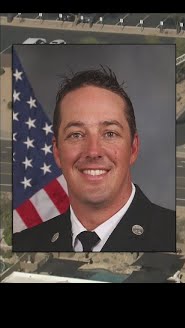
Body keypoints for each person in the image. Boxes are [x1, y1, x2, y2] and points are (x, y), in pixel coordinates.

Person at [13, 67, 175, 252]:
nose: (93, 151)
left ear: (133, 148)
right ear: (57, 152)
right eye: (76, 135)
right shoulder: (26, 243)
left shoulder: (171, 237)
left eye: (110, 133)